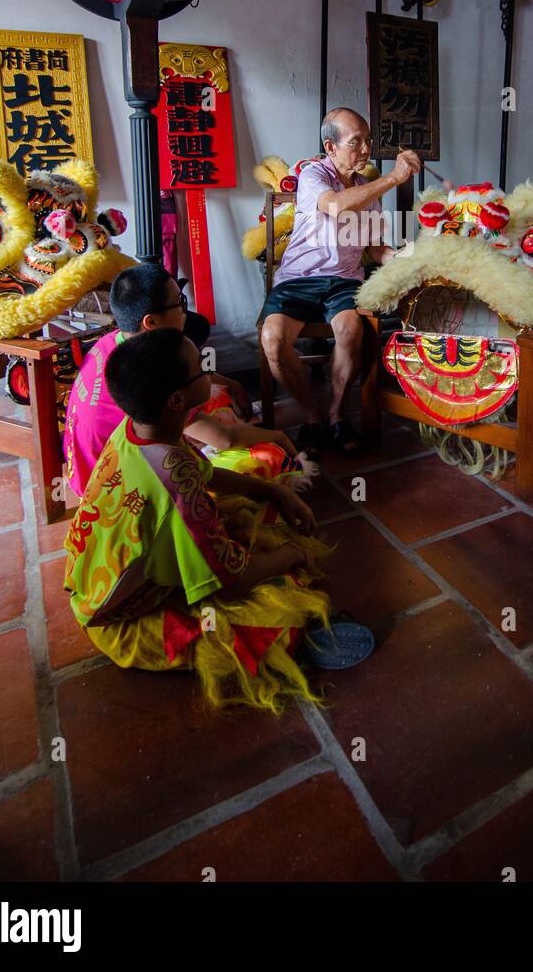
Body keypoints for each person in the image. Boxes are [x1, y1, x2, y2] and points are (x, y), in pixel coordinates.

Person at [64, 328, 372, 712]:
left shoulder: (135, 433)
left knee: (255, 506)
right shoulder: (173, 483)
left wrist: (275, 491)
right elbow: (231, 582)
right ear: (177, 400)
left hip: (99, 581)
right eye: (200, 370)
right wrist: (293, 555)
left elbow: (202, 473)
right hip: (122, 620)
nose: (210, 374)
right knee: (278, 610)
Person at [63, 263, 300, 507]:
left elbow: (196, 380)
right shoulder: (154, 373)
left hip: (87, 470)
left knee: (214, 395)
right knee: (267, 459)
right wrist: (278, 436)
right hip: (114, 494)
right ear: (151, 322)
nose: (185, 312)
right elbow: (224, 439)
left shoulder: (114, 343)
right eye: (179, 303)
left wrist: (228, 382)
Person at [259, 107, 421, 455]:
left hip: (344, 280)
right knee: (273, 340)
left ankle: (335, 415)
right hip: (298, 280)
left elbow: (377, 248)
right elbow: (335, 206)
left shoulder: (367, 189)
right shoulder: (314, 176)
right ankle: (312, 413)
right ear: (330, 148)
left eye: (368, 141)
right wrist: (393, 178)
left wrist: (408, 261)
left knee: (351, 331)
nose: (365, 150)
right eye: (356, 142)